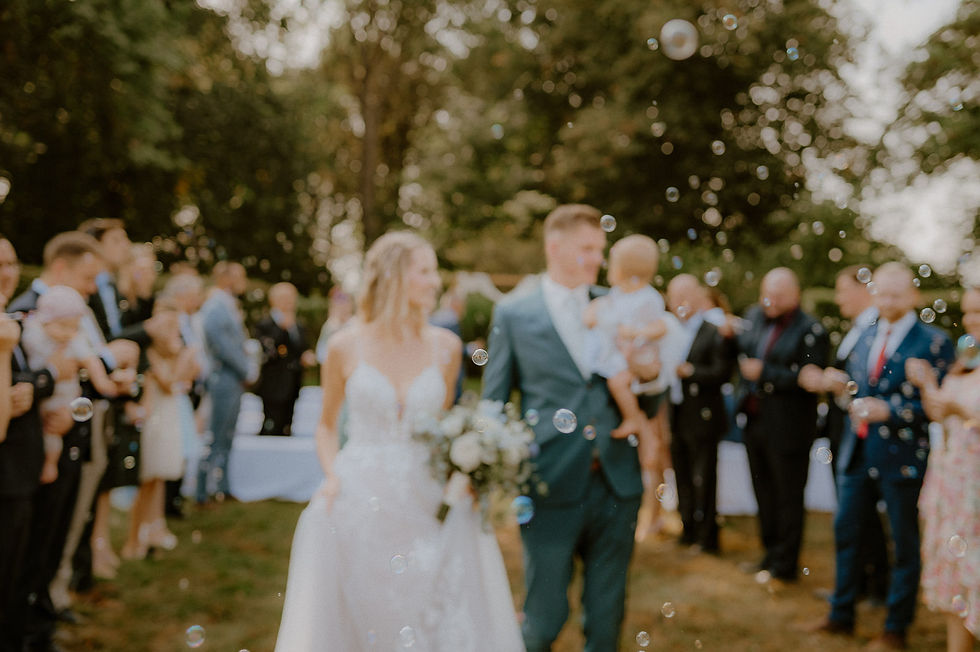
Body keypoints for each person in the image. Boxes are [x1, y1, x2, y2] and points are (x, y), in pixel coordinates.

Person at [274, 231, 523, 651]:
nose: (435, 280)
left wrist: (469, 468)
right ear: (393, 277)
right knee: (366, 605)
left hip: (428, 496)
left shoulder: (446, 347)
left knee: (432, 603)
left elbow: (442, 428)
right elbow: (327, 427)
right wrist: (333, 477)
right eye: (424, 270)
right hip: (360, 493)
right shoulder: (344, 346)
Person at [483, 204, 643, 652]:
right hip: (549, 480)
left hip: (616, 480)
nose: (598, 258)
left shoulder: (613, 307)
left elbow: (646, 389)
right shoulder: (514, 314)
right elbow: (494, 400)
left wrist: (644, 373)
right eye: (587, 249)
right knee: (544, 615)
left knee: (607, 617)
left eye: (600, 248)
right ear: (554, 247)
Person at [812, 263, 955, 650]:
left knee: (903, 540)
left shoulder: (934, 341)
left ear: (912, 296)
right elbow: (859, 391)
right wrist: (841, 388)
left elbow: (938, 405)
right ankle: (842, 612)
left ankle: (896, 627)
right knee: (847, 530)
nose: (887, 300)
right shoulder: (866, 333)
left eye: (896, 294)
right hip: (857, 450)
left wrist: (888, 410)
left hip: (902, 455)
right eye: (882, 293)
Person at [798, 265, 889, 603]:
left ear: (864, 289)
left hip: (860, 434)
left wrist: (837, 383)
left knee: (863, 511)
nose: (838, 298)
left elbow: (868, 383)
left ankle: (876, 584)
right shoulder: (857, 329)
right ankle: (859, 584)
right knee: (853, 511)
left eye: (842, 290)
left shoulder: (876, 328)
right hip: (844, 430)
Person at [735, 267, 829, 583]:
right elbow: (742, 349)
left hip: (789, 427)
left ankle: (785, 565)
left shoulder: (811, 329)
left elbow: (807, 379)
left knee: (788, 497)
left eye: (778, 295)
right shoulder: (754, 317)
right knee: (763, 492)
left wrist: (765, 372)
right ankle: (769, 553)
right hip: (755, 421)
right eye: (766, 294)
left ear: (795, 296)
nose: (770, 301)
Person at [908, 285, 980, 652]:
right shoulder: (965, 361)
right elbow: (940, 411)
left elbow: (963, 412)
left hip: (977, 486)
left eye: (979, 312)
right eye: (968, 313)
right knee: (956, 570)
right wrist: (927, 384)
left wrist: (964, 413)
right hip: (954, 480)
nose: (972, 320)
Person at [122, 298, 197, 559]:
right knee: (146, 481)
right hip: (155, 421)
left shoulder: (171, 351)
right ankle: (132, 541)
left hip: (168, 417)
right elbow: (169, 384)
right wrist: (183, 358)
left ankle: (151, 530)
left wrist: (183, 358)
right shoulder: (150, 352)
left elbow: (185, 379)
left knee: (157, 481)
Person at [666, 274, 735, 554]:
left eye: (684, 296)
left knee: (704, 477)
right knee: (681, 473)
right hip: (677, 411)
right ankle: (687, 530)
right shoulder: (668, 330)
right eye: (673, 297)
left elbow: (723, 372)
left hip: (704, 414)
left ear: (697, 297)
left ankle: (708, 538)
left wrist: (691, 372)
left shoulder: (714, 330)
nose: (678, 303)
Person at [197, 261, 251, 505]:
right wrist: (245, 368)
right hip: (223, 378)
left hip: (233, 379)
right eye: (240, 276)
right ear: (226, 279)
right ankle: (201, 490)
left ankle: (223, 486)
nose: (244, 281)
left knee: (228, 435)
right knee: (216, 434)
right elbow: (222, 345)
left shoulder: (229, 305)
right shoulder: (216, 306)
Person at [254, 282, 315, 436]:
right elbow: (267, 352)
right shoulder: (266, 325)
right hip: (273, 386)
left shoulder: (299, 325)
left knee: (287, 427)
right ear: (273, 300)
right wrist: (282, 329)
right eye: (285, 298)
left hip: (293, 383)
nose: (290, 302)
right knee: (271, 427)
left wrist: (306, 356)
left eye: (292, 298)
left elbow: (301, 348)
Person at [315, 286, 354, 364]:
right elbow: (320, 354)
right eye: (338, 303)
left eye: (345, 302)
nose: (342, 306)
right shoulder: (329, 326)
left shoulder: (356, 324)